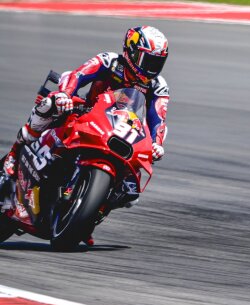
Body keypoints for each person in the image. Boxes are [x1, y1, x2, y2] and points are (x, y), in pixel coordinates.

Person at [1, 26, 170, 216]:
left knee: (131, 193)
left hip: (123, 131)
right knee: (51, 103)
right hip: (87, 113)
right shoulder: (110, 61)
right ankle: (14, 155)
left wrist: (156, 143)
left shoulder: (158, 86)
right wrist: (65, 94)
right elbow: (78, 75)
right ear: (131, 51)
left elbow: (158, 119)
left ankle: (88, 218)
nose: (151, 68)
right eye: (146, 60)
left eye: (157, 63)